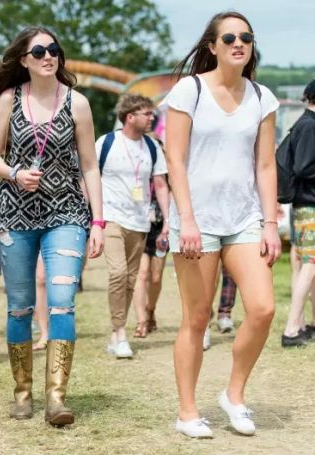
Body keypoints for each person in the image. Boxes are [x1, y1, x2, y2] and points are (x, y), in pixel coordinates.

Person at [163, 11, 280, 438]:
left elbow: (265, 165)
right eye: (228, 37)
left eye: (245, 36)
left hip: (245, 217)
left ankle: (234, 395)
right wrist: (187, 219)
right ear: (211, 46)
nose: (238, 43)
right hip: (197, 221)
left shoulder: (262, 97)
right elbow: (174, 158)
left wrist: (270, 223)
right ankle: (188, 411)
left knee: (264, 308)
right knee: (197, 318)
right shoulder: (188, 91)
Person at [0, 26, 104, 427]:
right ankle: (22, 392)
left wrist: (98, 220)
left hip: (66, 212)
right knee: (19, 307)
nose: (48, 56)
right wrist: (15, 174)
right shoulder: (8, 100)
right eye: (39, 51)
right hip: (16, 214)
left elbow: (89, 165)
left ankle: (56, 397)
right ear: (24, 59)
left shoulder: (78, 103)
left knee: (62, 300)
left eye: (54, 49)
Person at [96, 94, 170, 357]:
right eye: (147, 114)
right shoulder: (106, 143)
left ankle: (116, 333)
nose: (152, 118)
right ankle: (121, 333)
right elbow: (89, 176)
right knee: (117, 273)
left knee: (129, 280)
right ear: (130, 117)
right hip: (110, 217)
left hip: (140, 221)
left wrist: (168, 221)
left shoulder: (152, 148)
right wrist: (92, 215)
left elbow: (160, 184)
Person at [282, 79, 315, 347]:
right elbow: (304, 167)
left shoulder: (305, 123)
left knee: (308, 265)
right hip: (309, 205)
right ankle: (292, 328)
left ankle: (302, 324)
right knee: (310, 266)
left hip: (306, 206)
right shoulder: (310, 125)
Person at [132, 187, 169, 338]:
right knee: (141, 273)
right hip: (138, 224)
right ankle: (141, 321)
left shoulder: (164, 167)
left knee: (156, 277)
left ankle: (150, 310)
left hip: (160, 227)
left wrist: (168, 223)